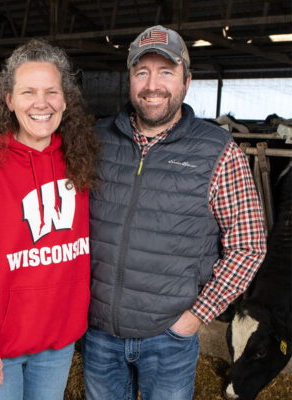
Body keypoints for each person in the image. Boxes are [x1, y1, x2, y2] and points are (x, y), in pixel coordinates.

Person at [82, 25, 267, 400]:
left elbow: (249, 245)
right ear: (130, 79)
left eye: (166, 72)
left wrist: (195, 317)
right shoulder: (95, 140)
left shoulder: (217, 150)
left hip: (169, 339)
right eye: (142, 72)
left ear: (187, 80)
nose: (153, 85)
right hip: (98, 335)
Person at [0, 39, 100, 399]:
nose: (41, 103)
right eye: (28, 92)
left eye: (51, 91)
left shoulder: (80, 158)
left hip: (55, 346)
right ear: (8, 99)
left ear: (66, 99)